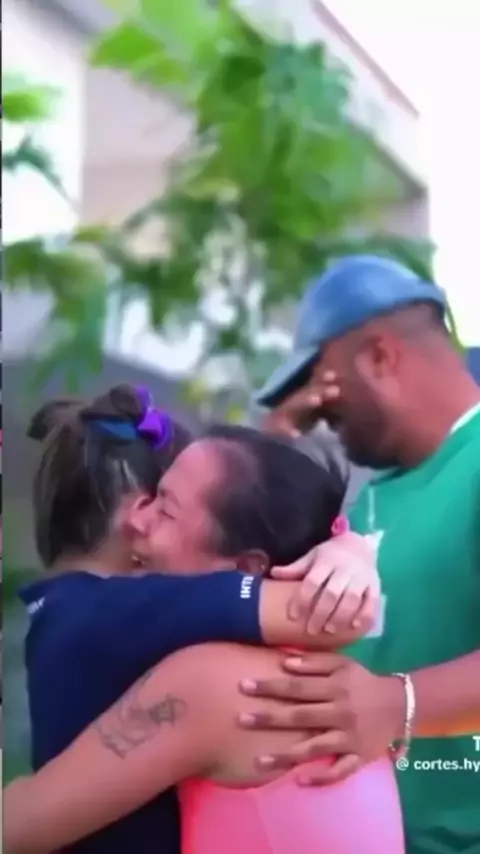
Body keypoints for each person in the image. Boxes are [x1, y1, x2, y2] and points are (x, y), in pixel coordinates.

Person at [7, 385, 379, 854]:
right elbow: (338, 612)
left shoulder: (97, 621)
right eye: (154, 501)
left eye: (164, 508)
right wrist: (351, 554)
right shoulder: (125, 617)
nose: (140, 522)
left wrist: (350, 552)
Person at [240, 254, 480, 854]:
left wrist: (396, 703)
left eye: (322, 380)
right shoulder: (367, 501)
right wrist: (275, 447)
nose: (317, 405)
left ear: (378, 357)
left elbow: (381, 704)